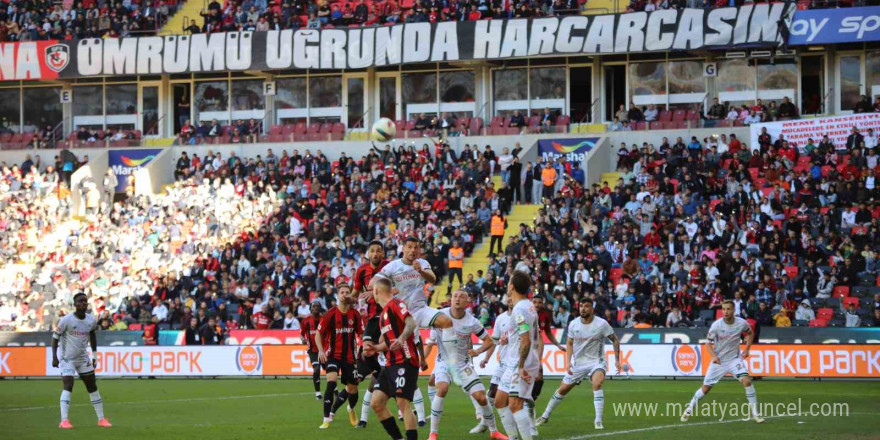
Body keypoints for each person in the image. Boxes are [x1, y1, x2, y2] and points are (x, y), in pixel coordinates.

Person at [424, 290, 508, 440]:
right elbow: (420, 322)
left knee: (482, 398)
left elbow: (489, 341)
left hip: (463, 364)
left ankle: (494, 432)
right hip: (444, 361)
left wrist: (478, 351)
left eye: (462, 296)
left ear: (467, 302)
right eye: (455, 296)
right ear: (451, 300)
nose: (457, 299)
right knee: (442, 388)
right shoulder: (438, 315)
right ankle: (433, 433)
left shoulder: (472, 322)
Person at [536, 300, 621, 430]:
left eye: (586, 306)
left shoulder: (602, 324)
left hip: (596, 361)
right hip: (579, 363)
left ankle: (598, 420)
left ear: (592, 309)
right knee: (563, 389)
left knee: (597, 383)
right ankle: (545, 415)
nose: (583, 309)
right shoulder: (573, 324)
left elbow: (614, 339)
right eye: (581, 306)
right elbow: (569, 343)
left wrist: (617, 360)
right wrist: (568, 362)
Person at [681, 300, 763, 423]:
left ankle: (756, 414)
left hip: (734, 360)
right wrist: (713, 356)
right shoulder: (716, 325)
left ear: (734, 310)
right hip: (719, 361)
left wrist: (747, 349)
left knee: (747, 381)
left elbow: (751, 333)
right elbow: (707, 343)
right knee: (705, 389)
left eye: (728, 309)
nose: (725, 311)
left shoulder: (741, 323)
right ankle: (689, 409)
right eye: (723, 309)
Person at [364, 276, 421, 440]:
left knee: (403, 403)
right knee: (376, 403)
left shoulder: (396, 304)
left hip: (405, 361)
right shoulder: (383, 315)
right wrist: (376, 348)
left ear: (376, 290)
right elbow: (389, 342)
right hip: (390, 364)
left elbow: (411, 323)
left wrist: (402, 338)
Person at [52, 292, 112, 429]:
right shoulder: (66, 320)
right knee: (68, 386)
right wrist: (55, 357)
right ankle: (64, 421)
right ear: (75, 304)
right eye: (80, 301)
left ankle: (101, 419)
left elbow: (92, 334)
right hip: (67, 359)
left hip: (83, 358)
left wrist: (95, 355)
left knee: (92, 387)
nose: (83, 303)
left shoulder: (91, 320)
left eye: (85, 301)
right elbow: (55, 338)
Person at [495, 271, 540, 440]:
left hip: (521, 362)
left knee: (515, 404)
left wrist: (521, 366)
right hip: (513, 361)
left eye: (508, 283)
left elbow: (526, 340)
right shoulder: (525, 305)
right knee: (500, 401)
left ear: (512, 286)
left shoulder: (520, 309)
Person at [315, 282, 363, 429]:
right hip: (333, 356)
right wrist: (321, 351)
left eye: (347, 292)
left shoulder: (355, 314)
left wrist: (363, 346)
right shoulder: (331, 313)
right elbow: (318, 334)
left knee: (353, 389)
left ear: (350, 294)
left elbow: (361, 333)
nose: (344, 294)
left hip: (349, 357)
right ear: (337, 295)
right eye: (341, 292)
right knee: (331, 383)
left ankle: (351, 409)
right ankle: (326, 419)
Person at [352, 240, 388, 428]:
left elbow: (399, 290)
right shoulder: (361, 271)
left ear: (383, 254)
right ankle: (363, 418)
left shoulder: (391, 267)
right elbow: (355, 293)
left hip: (390, 317)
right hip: (373, 320)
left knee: (398, 365)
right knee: (367, 351)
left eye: (378, 251)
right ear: (368, 254)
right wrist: (347, 298)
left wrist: (376, 293)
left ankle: (414, 413)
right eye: (372, 251)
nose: (375, 254)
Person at [301, 301, 325, 400]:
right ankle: (318, 393)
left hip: (324, 350)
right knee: (316, 369)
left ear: (320, 309)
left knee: (330, 370)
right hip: (312, 351)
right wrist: (302, 339)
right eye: (314, 306)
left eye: (317, 306)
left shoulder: (324, 319)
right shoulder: (305, 321)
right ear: (310, 308)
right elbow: (301, 334)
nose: (315, 308)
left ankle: (335, 389)